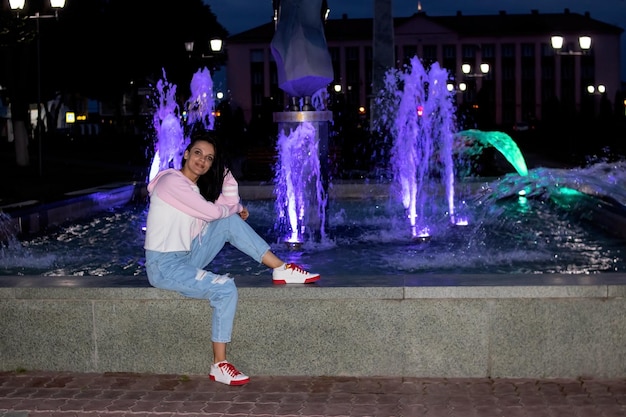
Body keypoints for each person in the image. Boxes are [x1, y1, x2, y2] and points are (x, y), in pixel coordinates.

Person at [144, 132, 320, 386]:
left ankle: (280, 268)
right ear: (185, 154)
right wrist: (234, 209)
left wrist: (224, 175)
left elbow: (225, 207)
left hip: (185, 257)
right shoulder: (172, 183)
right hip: (164, 266)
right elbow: (212, 210)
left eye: (209, 158)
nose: (202, 161)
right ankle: (219, 365)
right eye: (197, 154)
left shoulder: (191, 188)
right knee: (225, 288)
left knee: (227, 221)